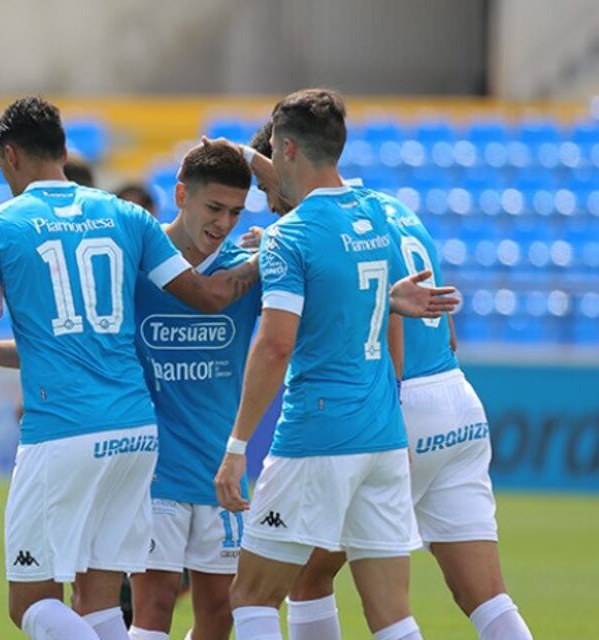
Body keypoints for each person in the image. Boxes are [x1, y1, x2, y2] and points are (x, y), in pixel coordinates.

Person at [0, 96, 260, 640]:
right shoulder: (127, 216)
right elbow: (208, 294)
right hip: (135, 433)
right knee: (98, 607)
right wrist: (280, 250)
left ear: (10, 155)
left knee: (28, 603)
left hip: (62, 429)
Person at [212, 88, 458, 640]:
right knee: (392, 613)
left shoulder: (288, 237)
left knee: (251, 596)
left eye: (273, 147)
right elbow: (378, 307)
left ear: (289, 147)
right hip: (381, 434)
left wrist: (235, 448)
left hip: (318, 434)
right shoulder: (376, 212)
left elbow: (275, 346)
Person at [283, 194, 534, 640]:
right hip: (456, 400)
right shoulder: (397, 211)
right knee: (487, 595)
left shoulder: (321, 232)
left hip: (397, 407)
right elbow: (450, 328)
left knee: (307, 578)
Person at [126, 143, 259, 640]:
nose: (223, 223)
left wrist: (392, 300)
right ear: (182, 194)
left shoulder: (252, 265)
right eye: (214, 208)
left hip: (219, 471)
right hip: (153, 469)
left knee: (220, 614)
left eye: (235, 212)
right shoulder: (135, 264)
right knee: (154, 605)